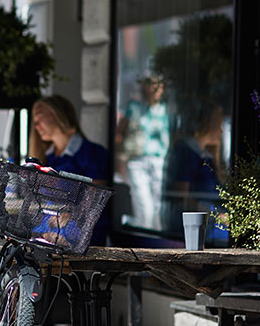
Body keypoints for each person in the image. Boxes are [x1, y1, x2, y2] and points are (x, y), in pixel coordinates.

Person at [30, 94, 111, 245]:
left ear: (58, 115)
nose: (36, 126)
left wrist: (71, 214)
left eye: (39, 118)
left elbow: (96, 198)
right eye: (34, 122)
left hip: (80, 232)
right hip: (49, 227)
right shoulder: (47, 157)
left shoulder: (91, 153)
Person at [164, 102, 228, 244]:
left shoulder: (205, 154)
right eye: (218, 125)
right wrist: (216, 215)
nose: (221, 131)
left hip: (210, 224)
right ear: (207, 124)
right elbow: (181, 198)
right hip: (197, 228)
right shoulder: (186, 152)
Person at [115, 75, 170, 230]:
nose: (156, 89)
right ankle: (145, 235)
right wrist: (120, 159)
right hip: (137, 160)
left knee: (159, 205)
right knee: (144, 205)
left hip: (159, 160)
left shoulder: (166, 109)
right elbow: (120, 133)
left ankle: (157, 235)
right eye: (152, 85)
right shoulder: (134, 107)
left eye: (159, 85)